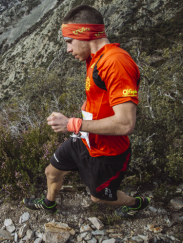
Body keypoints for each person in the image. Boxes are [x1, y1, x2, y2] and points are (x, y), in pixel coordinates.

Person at [23, 5, 150, 219]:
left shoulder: (115, 62)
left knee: (99, 197)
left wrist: (72, 124)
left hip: (108, 152)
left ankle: (137, 203)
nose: (68, 50)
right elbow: (100, 94)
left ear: (86, 34)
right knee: (51, 172)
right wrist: (87, 107)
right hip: (86, 139)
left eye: (69, 41)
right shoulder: (95, 59)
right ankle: (49, 204)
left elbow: (126, 123)